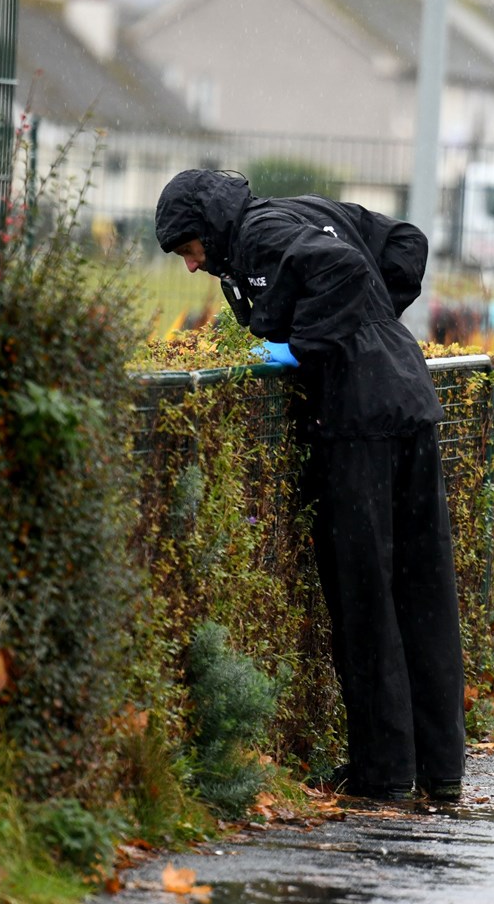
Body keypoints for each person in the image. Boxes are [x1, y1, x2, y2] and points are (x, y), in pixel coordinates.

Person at [153, 170, 465, 803]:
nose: (190, 267)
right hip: (408, 395)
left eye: (188, 249)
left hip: (358, 419)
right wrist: (376, 324)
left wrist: (306, 343)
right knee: (424, 588)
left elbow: (340, 272)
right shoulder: (302, 209)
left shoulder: (262, 232)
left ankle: (383, 774)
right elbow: (405, 242)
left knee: (365, 594)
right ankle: (440, 768)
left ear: (209, 229)